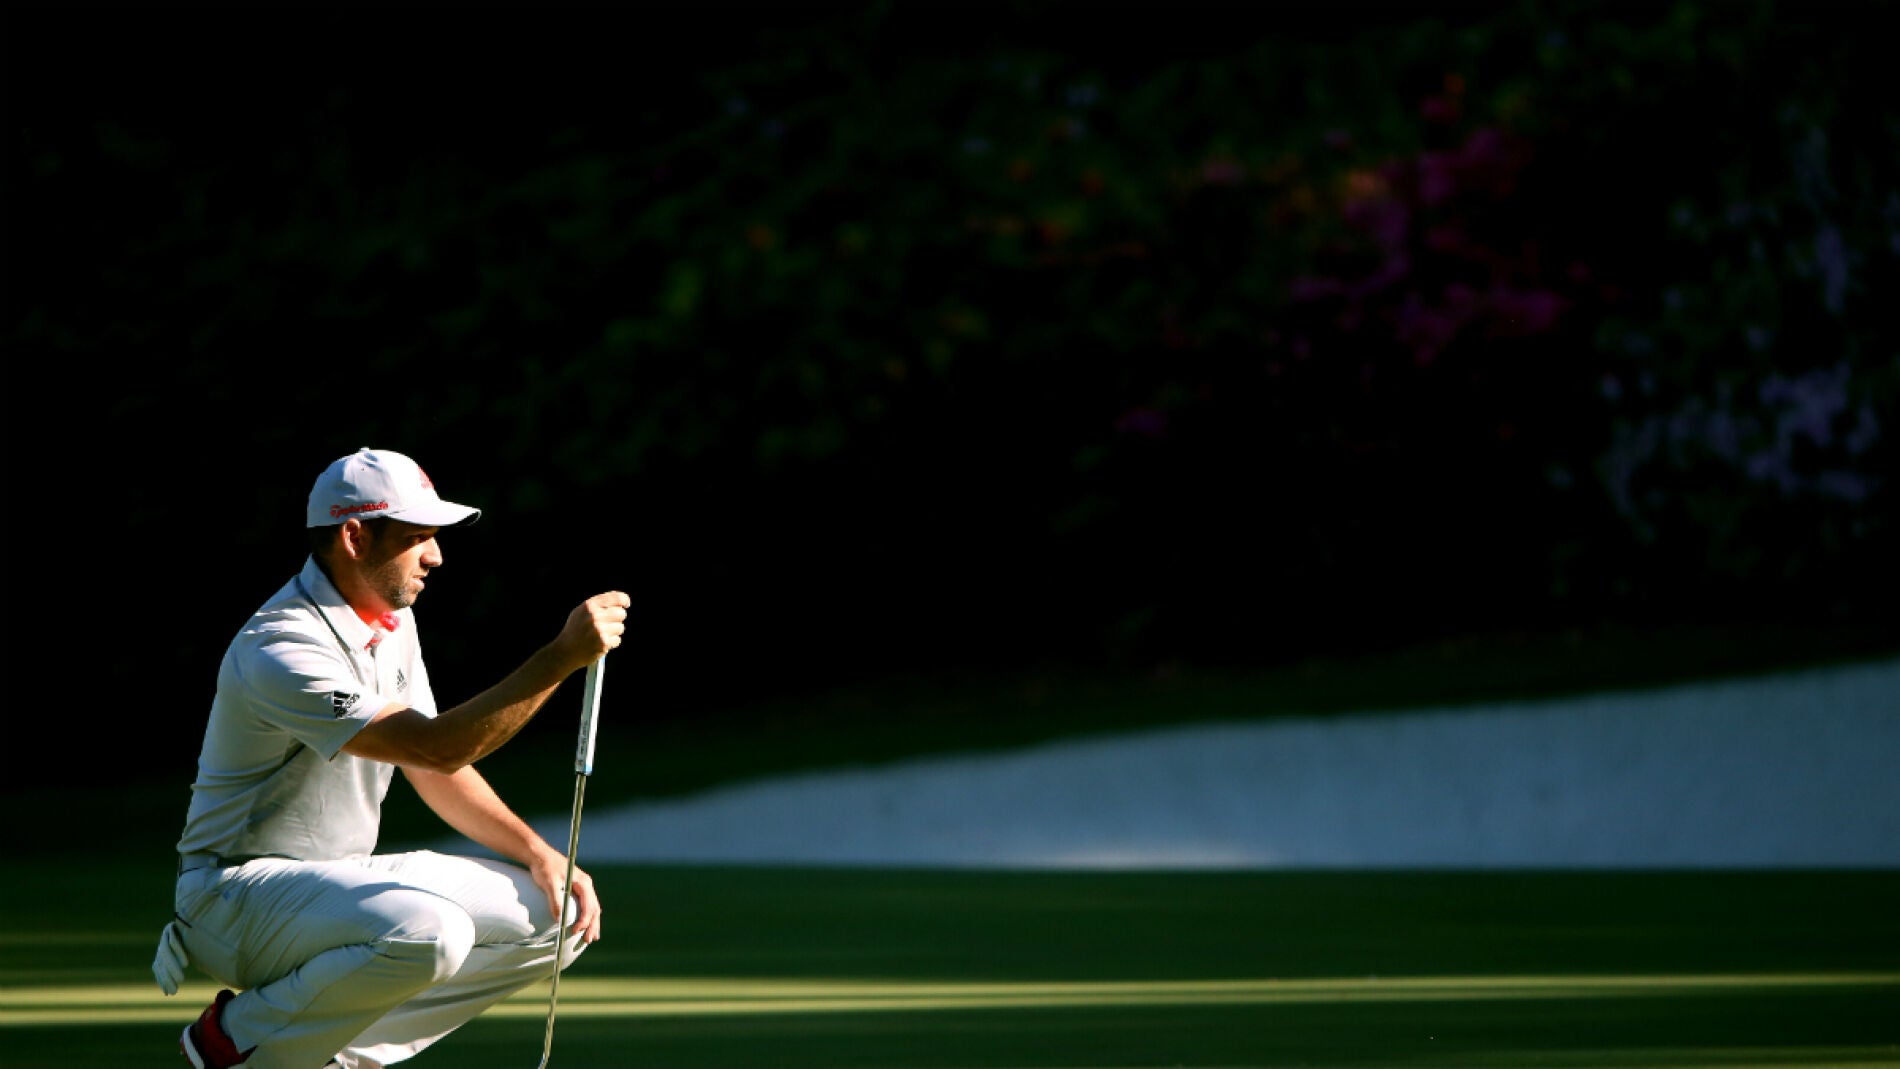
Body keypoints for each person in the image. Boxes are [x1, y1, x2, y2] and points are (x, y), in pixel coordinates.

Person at [152, 446, 630, 1069]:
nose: (435, 555)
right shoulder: (281, 646)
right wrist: (560, 658)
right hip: (233, 898)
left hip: (337, 884)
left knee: (559, 910)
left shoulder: (390, 624)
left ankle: (330, 1057)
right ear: (353, 536)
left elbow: (435, 768)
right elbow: (437, 745)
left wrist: (538, 853)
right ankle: (234, 1042)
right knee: (433, 930)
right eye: (417, 537)